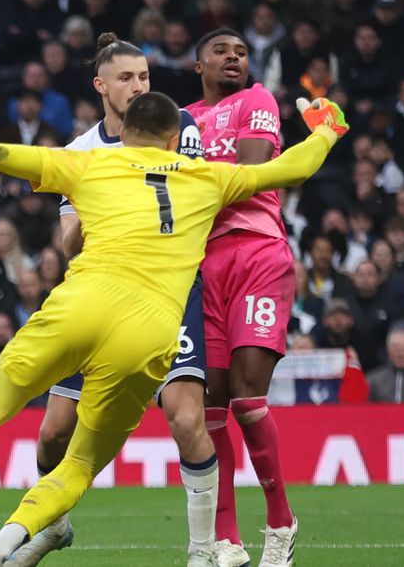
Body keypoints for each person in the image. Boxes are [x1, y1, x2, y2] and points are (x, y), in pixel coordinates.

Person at [0, 91, 346, 567]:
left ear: (123, 133)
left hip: (78, 307)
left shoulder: (88, 161)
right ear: (175, 139)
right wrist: (325, 130)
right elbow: (291, 167)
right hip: (146, 333)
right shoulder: (210, 175)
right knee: (79, 465)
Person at [17, 33, 221, 567]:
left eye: (145, 77)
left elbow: (197, 203)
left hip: (167, 292)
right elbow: (66, 244)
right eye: (127, 78)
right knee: (53, 433)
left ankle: (203, 550)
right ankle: (54, 526)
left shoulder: (177, 128)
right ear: (100, 85)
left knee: (184, 417)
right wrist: (93, 213)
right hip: (99, 291)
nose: (138, 87)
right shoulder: (81, 152)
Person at [182, 28, 299, 566]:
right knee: (211, 407)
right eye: (221, 51)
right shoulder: (179, 120)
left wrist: (187, 178)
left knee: (250, 398)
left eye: (242, 52)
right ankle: (227, 539)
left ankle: (281, 523)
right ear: (197, 63)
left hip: (256, 251)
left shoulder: (256, 100)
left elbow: (250, 173)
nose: (234, 57)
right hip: (200, 266)